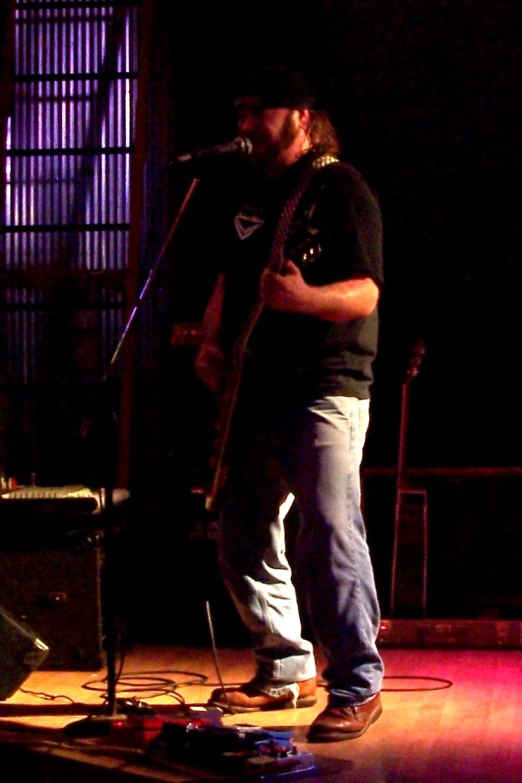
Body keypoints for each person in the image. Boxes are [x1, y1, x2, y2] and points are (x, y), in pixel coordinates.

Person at [192, 64, 384, 742]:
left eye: (257, 110)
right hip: (258, 389)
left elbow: (364, 293)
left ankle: (358, 682)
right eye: (238, 111)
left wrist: (304, 300)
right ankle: (286, 665)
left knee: (329, 531)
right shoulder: (248, 193)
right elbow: (229, 277)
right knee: (240, 525)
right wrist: (212, 341)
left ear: (301, 114)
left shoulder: (341, 187)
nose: (243, 125)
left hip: (325, 385)